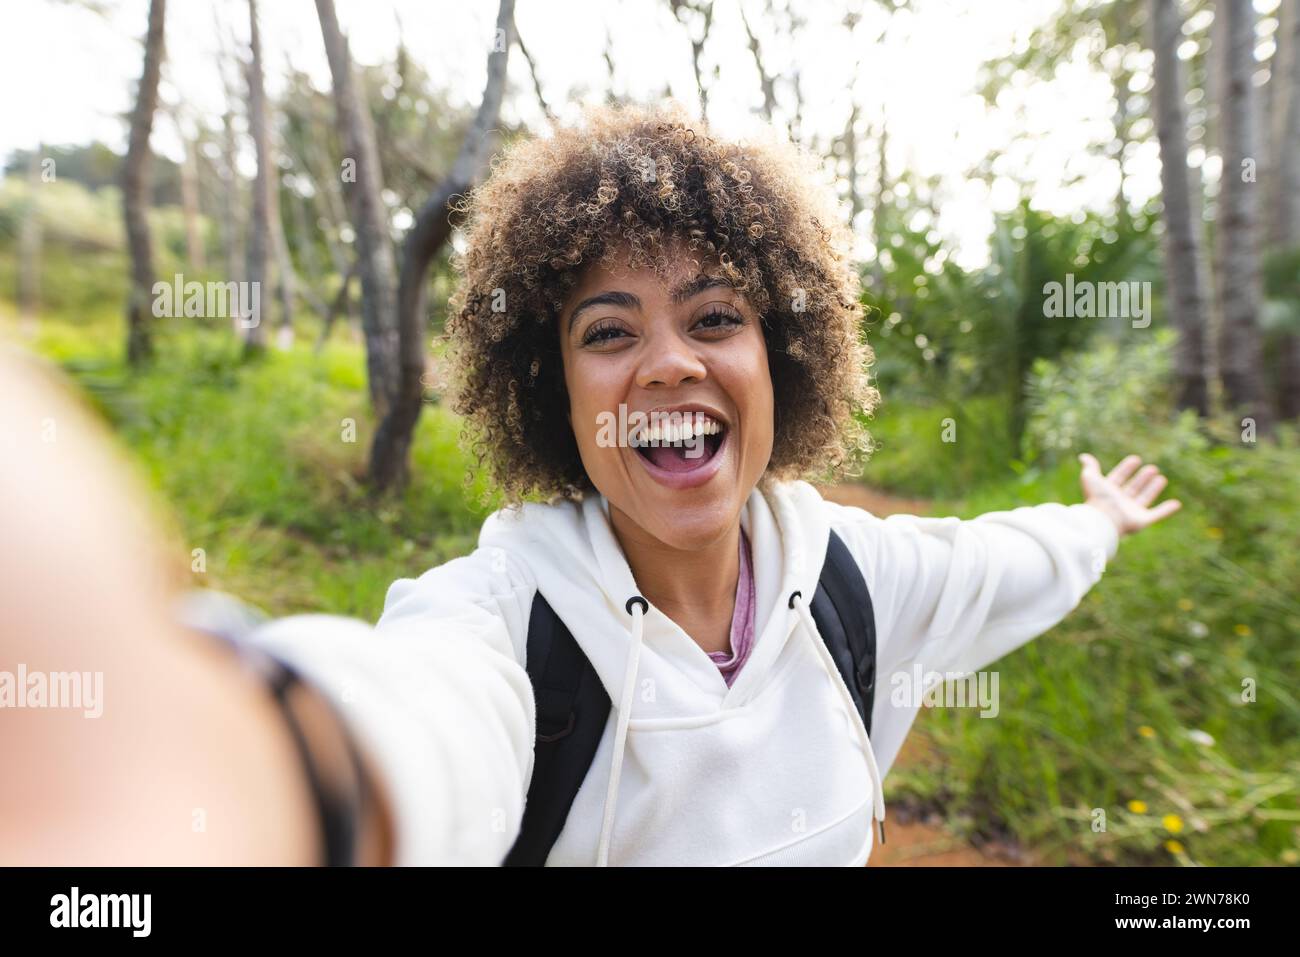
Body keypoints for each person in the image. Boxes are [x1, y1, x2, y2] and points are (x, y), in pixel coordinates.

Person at [0, 102, 1180, 867]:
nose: (669, 359)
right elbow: (423, 713)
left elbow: (1018, 559)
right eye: (607, 332)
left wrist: (1099, 518)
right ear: (552, 391)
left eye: (715, 317)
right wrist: (267, 771)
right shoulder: (505, 624)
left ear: (781, 359)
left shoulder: (860, 581)